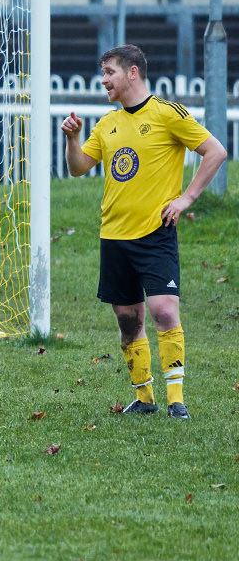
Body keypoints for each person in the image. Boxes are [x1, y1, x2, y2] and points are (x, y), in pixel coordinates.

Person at [61, 44, 227, 420]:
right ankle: (145, 397)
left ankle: (176, 400)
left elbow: (215, 151)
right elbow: (78, 167)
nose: (104, 80)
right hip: (114, 236)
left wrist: (186, 198)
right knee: (128, 320)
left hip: (156, 233)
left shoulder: (167, 114)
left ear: (132, 72)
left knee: (164, 310)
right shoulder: (107, 123)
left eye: (109, 72)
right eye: (103, 73)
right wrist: (73, 139)